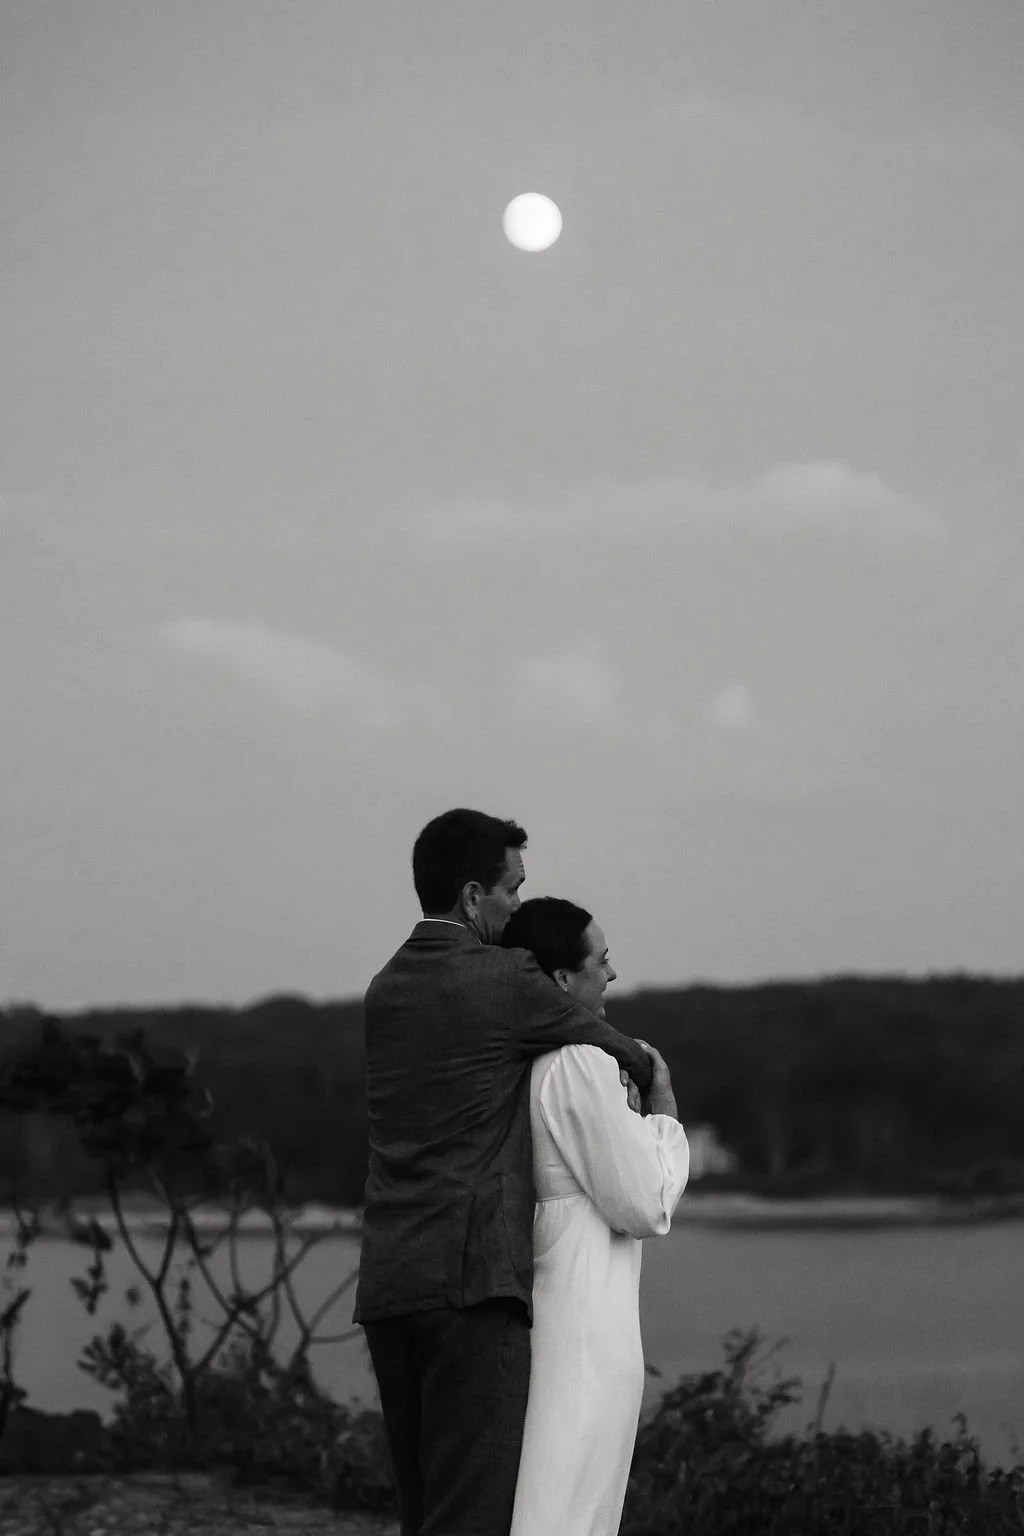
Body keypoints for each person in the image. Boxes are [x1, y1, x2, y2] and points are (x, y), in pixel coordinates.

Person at [354, 809, 654, 1536]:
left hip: (391, 1279)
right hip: (470, 1286)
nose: (518, 906)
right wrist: (651, 1072)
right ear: (469, 897)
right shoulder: (505, 978)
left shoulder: (384, 987)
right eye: (512, 890)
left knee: (422, 1508)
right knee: (473, 1511)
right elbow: (602, 1039)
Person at [500, 897, 690, 1536]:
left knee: (563, 1487)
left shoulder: (525, 1057)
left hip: (562, 1286)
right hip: (581, 1306)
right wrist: (662, 1111)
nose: (612, 975)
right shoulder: (578, 1060)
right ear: (560, 980)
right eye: (601, 961)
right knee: (567, 1495)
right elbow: (645, 1205)